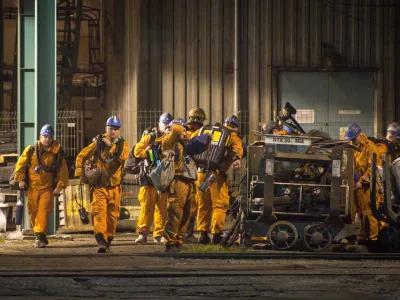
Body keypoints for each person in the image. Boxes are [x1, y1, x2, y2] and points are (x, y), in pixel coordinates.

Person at [75, 116, 129, 253]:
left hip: (115, 187)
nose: (113, 132)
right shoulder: (98, 143)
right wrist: (80, 174)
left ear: (119, 131)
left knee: (112, 216)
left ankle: (108, 239)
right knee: (99, 214)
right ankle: (101, 241)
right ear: (106, 128)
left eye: (116, 129)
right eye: (111, 129)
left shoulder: (123, 145)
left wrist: (111, 146)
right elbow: (82, 155)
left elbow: (122, 158)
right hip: (99, 186)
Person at [14, 124, 69, 248]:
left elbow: (62, 171)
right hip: (32, 188)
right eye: (45, 136)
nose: (47, 139)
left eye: (49, 137)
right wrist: (21, 180)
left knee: (43, 212)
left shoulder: (57, 153)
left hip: (47, 188)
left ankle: (39, 236)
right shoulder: (31, 150)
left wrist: (60, 186)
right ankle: (42, 236)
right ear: (40, 137)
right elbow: (21, 165)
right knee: (33, 212)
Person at [196, 115, 244, 244]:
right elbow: (238, 151)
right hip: (216, 174)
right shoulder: (232, 136)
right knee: (219, 204)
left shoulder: (209, 131)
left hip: (200, 173)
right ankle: (216, 235)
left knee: (203, 204)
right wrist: (236, 159)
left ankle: (202, 234)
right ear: (236, 127)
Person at [155, 119, 197, 252]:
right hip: (177, 182)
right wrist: (178, 125)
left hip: (188, 183)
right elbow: (177, 131)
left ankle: (178, 240)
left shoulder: (184, 143)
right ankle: (170, 242)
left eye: (185, 128)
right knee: (175, 213)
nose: (184, 131)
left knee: (186, 214)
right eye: (182, 128)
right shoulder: (168, 141)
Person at [134, 112, 172, 243]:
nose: (166, 127)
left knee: (162, 208)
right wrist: (151, 153)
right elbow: (137, 151)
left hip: (163, 180)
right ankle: (143, 234)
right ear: (159, 124)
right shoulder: (150, 137)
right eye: (164, 124)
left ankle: (158, 235)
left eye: (168, 125)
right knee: (147, 207)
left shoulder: (172, 140)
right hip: (148, 179)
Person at [344, 123, 382, 242]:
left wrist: (362, 180)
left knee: (370, 212)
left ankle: (374, 239)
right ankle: (362, 237)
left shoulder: (370, 147)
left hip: (368, 186)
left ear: (360, 135)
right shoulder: (352, 145)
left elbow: (374, 167)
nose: (352, 141)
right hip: (356, 185)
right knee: (359, 213)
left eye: (353, 139)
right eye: (350, 139)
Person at [181, 107, 208, 242]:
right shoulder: (198, 134)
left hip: (181, 173)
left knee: (183, 205)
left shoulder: (183, 131)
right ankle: (187, 234)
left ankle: (182, 234)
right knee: (192, 205)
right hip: (191, 172)